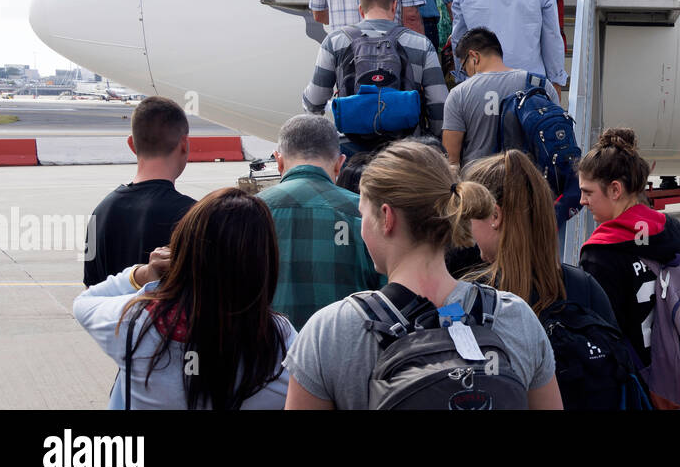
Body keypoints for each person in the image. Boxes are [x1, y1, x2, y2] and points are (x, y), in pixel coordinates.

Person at [283, 140, 562, 409]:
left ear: (386, 217)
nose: (361, 229)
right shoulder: (515, 317)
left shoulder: (331, 332)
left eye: (363, 216)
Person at [73, 188, 294, 409]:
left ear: (182, 248)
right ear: (264, 263)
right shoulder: (280, 340)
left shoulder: (136, 324)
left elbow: (85, 302)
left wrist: (144, 275)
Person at [578, 128, 680, 368]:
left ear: (615, 190)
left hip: (642, 387)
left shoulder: (601, 255)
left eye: (588, 192)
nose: (582, 201)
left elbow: (601, 342)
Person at [456, 149, 616, 321]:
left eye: (469, 216)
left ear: (495, 216)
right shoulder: (586, 288)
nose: (468, 226)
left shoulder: (469, 298)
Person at [258, 114, 383, 330]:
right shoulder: (365, 213)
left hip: (266, 357)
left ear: (279, 162)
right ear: (339, 165)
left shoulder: (249, 211)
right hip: (347, 354)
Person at [302, 0, 448, 150]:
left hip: (351, 149)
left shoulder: (335, 41)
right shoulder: (420, 44)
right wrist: (432, 140)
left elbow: (314, 100)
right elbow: (439, 103)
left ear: (361, 10)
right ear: (394, 6)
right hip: (407, 151)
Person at [83, 96, 196, 286]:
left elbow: (91, 290)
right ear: (184, 144)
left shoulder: (100, 212)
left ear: (131, 144)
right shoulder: (195, 216)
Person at [441, 27, 533, 169]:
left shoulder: (458, 94)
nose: (466, 74)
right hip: (528, 182)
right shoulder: (538, 85)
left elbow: (451, 161)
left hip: (476, 184)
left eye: (464, 68)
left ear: (474, 57)